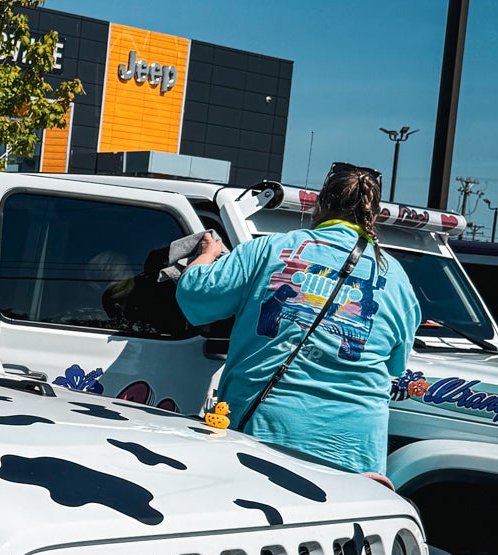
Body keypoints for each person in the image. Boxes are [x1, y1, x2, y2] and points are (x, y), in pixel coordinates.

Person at [175, 162, 421, 478]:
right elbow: (394, 365)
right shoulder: (394, 277)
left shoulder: (268, 249)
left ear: (319, 205)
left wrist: (208, 254)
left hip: (267, 433)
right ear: (372, 217)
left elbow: (197, 295)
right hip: (355, 448)